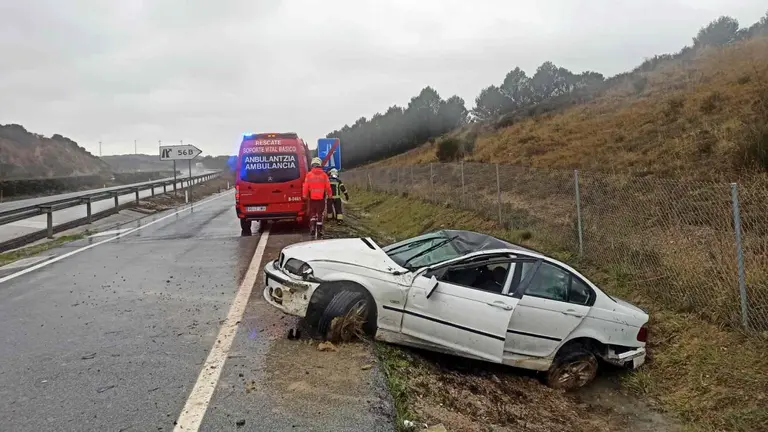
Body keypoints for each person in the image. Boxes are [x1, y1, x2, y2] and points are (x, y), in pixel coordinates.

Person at [302, 157, 332, 238]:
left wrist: (304, 195)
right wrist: (330, 195)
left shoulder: (309, 175)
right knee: (320, 214)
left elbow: (305, 186)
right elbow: (328, 187)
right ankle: (319, 230)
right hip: (321, 198)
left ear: (312, 165)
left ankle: (312, 228)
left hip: (312, 198)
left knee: (313, 214)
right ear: (319, 165)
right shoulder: (324, 175)